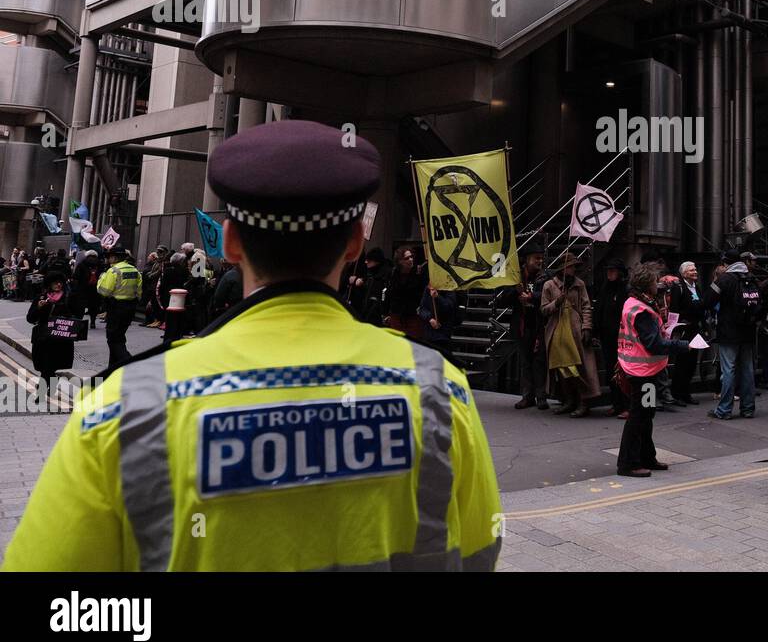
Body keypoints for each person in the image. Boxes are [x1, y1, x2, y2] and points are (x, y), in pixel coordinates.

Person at [3, 120, 500, 572]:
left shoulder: (125, 410)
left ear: (232, 242)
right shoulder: (439, 391)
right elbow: (480, 554)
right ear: (354, 243)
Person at [616, 264, 694, 477]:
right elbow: (653, 343)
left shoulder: (635, 302)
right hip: (643, 372)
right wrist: (683, 345)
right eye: (654, 281)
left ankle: (646, 457)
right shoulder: (641, 311)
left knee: (646, 414)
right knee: (639, 416)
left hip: (644, 370)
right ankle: (628, 464)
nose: (657, 284)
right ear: (646, 285)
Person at [540, 252, 596, 417]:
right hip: (557, 331)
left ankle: (583, 401)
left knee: (577, 368)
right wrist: (556, 303)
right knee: (561, 368)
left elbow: (586, 306)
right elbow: (543, 309)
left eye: (574, 266)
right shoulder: (549, 286)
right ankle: (569, 400)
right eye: (570, 266)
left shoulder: (579, 284)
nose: (573, 269)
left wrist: (586, 327)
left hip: (575, 329)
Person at [707, 251, 760, 420]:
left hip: (729, 331)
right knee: (747, 369)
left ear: (725, 263)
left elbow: (708, 301)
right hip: (748, 330)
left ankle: (724, 410)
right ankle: (748, 408)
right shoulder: (751, 278)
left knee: (728, 369)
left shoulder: (725, 279)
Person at [510, 243, 550, 410]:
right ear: (526, 260)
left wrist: (532, 297)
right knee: (525, 362)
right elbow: (503, 297)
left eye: (541, 258)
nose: (539, 261)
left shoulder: (546, 277)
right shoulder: (515, 278)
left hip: (540, 324)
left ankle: (541, 396)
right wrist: (516, 294)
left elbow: (550, 295)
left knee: (539, 361)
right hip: (522, 324)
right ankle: (527, 396)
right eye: (536, 258)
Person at [26, 270, 77, 393]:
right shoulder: (41, 298)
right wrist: (38, 308)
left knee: (50, 365)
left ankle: (42, 391)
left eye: (60, 282)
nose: (59, 285)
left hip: (60, 339)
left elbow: (76, 317)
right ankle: (52, 380)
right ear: (49, 284)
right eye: (55, 283)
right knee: (42, 364)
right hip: (42, 337)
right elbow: (30, 318)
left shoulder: (68, 298)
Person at [95, 245, 142, 376]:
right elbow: (139, 291)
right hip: (130, 307)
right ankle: (113, 369)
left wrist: (101, 279)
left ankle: (130, 363)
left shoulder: (113, 271)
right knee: (119, 336)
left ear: (114, 257)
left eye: (109, 257)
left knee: (113, 339)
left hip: (116, 307)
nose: (108, 259)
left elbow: (104, 291)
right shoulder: (134, 270)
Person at [668, 260, 709, 404]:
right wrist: (674, 330)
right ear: (684, 273)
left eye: (695, 269)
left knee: (691, 362)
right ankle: (677, 393)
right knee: (681, 363)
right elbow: (674, 310)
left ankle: (686, 393)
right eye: (692, 270)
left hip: (695, 329)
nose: (695, 272)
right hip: (684, 329)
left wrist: (705, 326)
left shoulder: (696, 287)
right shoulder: (678, 287)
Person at [593, 258, 630, 417]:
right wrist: (595, 330)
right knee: (611, 371)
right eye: (608, 270)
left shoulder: (625, 290)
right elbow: (599, 310)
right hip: (607, 337)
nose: (609, 273)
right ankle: (616, 403)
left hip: (621, 337)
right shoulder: (605, 288)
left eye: (613, 271)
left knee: (623, 371)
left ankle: (627, 405)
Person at [383, 246, 426, 338]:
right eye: (407, 258)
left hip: (413, 316)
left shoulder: (418, 273)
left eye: (411, 257)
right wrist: (386, 314)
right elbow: (389, 294)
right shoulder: (393, 274)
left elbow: (421, 293)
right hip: (397, 315)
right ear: (399, 261)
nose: (411, 260)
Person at [70, 250, 103, 329]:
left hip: (82, 288)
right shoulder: (100, 264)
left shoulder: (82, 263)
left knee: (80, 306)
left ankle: (79, 322)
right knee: (94, 306)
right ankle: (92, 322)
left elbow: (76, 277)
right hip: (95, 289)